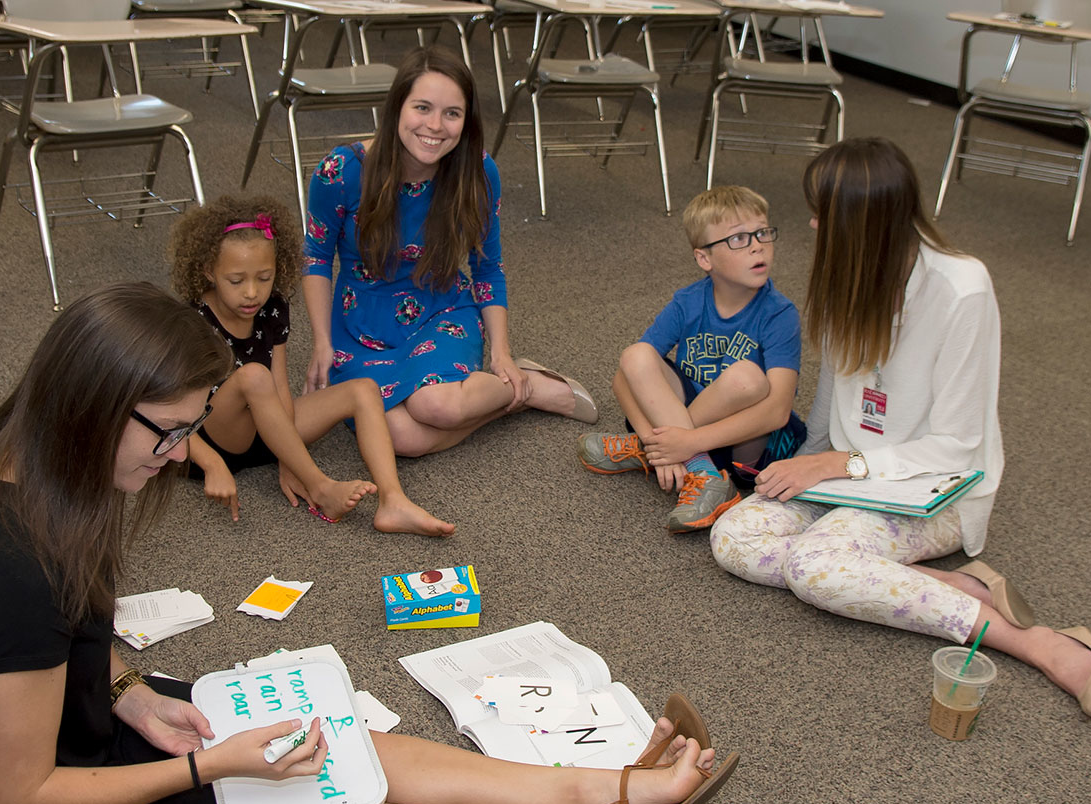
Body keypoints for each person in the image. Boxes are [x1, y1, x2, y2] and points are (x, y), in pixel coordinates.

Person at [0, 282, 736, 804]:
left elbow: (75, 631)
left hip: (70, 723)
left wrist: (128, 690)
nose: (182, 457)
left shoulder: (40, 463)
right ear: (97, 405)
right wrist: (206, 769)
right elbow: (22, 801)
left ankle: (581, 783)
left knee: (323, 738)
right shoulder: (6, 569)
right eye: (172, 432)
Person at [709, 138, 1091, 717]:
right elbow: (835, 390)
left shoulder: (962, 289)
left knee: (814, 567)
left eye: (823, 213)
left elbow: (957, 444)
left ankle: (1036, 642)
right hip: (850, 477)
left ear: (861, 223)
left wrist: (839, 465)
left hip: (937, 489)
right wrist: (806, 460)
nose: (812, 223)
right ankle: (955, 586)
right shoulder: (854, 274)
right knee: (735, 538)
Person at [302, 46, 598, 458]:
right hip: (359, 326)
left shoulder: (477, 172)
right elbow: (315, 257)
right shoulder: (341, 172)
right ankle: (521, 394)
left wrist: (502, 354)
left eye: (452, 113)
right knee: (399, 439)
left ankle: (521, 382)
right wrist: (321, 342)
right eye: (422, 107)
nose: (435, 126)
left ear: (466, 120)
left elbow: (488, 268)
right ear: (396, 108)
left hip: (440, 309)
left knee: (436, 405)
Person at [168, 193, 454, 536]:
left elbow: (281, 386)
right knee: (253, 377)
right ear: (208, 271)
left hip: (266, 426)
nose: (251, 293)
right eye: (236, 280)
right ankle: (320, 487)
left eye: (264, 277)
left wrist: (288, 454)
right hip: (209, 438)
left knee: (362, 389)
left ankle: (393, 501)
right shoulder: (191, 323)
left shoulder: (272, 308)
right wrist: (211, 463)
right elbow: (170, 413)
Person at [577, 185, 806, 534]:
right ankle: (698, 470)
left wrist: (684, 442)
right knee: (636, 355)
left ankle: (655, 452)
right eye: (739, 239)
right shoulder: (688, 301)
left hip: (747, 443)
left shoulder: (780, 314)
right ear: (704, 259)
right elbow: (624, 377)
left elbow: (776, 411)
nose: (757, 245)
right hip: (688, 425)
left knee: (746, 376)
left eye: (762, 233)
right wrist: (660, 441)